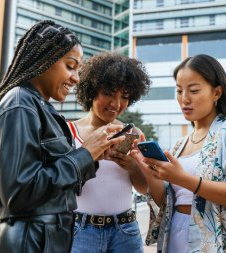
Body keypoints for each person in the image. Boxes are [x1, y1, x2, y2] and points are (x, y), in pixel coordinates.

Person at [0, 21, 125, 253]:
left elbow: (53, 186)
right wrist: (83, 154)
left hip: (43, 240)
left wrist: (94, 156)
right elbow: (19, 193)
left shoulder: (38, 107)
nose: (76, 78)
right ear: (45, 60)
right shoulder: (19, 104)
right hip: (30, 242)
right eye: (70, 66)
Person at [131, 54, 226, 252]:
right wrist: (148, 170)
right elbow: (167, 201)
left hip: (217, 242)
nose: (184, 99)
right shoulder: (181, 143)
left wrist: (183, 179)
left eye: (194, 90)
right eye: (179, 91)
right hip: (176, 234)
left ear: (217, 92)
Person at [68, 52, 150, 253]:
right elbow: (60, 183)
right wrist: (87, 157)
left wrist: (132, 167)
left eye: (124, 97)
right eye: (109, 93)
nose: (116, 104)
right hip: (81, 230)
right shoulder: (67, 132)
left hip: (125, 231)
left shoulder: (134, 134)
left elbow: (144, 188)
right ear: (91, 90)